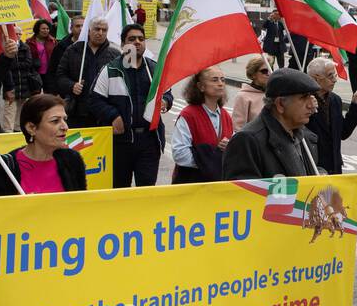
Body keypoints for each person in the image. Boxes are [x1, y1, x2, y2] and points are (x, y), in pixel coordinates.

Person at [222, 68, 345, 306]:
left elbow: (311, 182)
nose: (313, 105)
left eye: (314, 98)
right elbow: (240, 205)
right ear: (280, 104)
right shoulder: (250, 140)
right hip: (263, 259)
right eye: (305, 99)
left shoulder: (301, 136)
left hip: (299, 256)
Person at [89, 23, 172, 188]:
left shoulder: (155, 70)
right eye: (132, 39)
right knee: (120, 191)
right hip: (120, 143)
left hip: (149, 142)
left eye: (141, 39)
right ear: (122, 44)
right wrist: (112, 115)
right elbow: (94, 100)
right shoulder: (110, 70)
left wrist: (166, 101)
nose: (137, 42)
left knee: (146, 192)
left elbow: (168, 93)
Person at [0, 94, 87, 196]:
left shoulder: (72, 160)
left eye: (65, 119)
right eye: (55, 121)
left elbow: (81, 206)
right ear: (31, 128)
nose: (65, 127)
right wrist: (16, 206)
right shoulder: (3, 167)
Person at [171, 66, 234, 183]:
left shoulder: (225, 115)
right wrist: (211, 160)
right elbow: (180, 154)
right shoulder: (188, 115)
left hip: (218, 184)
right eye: (214, 80)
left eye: (223, 80)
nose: (220, 84)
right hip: (192, 183)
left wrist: (230, 147)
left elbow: (233, 150)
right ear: (201, 86)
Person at [55, 17, 119, 129]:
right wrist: (72, 85)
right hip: (77, 111)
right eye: (97, 29)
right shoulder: (73, 50)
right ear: (89, 31)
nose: (100, 33)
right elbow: (60, 76)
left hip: (104, 112)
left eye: (104, 30)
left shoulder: (115, 55)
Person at [305, 57, 357, 175]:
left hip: (334, 168)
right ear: (316, 78)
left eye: (335, 75)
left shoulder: (335, 100)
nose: (335, 80)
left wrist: (355, 106)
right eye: (330, 76)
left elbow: (343, 133)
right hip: (313, 166)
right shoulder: (303, 100)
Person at [2, 37, 43, 133]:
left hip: (24, 84)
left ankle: (18, 129)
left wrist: (15, 65)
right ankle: (7, 132)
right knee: (10, 111)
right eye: (16, 33)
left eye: (19, 33)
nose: (18, 35)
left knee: (21, 109)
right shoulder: (7, 47)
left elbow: (28, 63)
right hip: (11, 83)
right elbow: (6, 64)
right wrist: (18, 65)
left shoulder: (25, 47)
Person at [231, 55, 270, 130]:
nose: (268, 73)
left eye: (270, 69)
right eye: (264, 71)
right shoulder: (243, 96)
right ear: (253, 74)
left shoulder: (273, 93)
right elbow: (238, 127)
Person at [47, 13, 83, 79]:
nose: (81, 29)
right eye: (77, 26)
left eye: (83, 26)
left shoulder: (91, 45)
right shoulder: (61, 46)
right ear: (71, 28)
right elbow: (53, 68)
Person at [27, 18, 58, 83]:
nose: (46, 30)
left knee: (49, 92)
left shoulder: (53, 41)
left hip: (49, 73)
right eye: (43, 29)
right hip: (35, 73)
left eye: (47, 29)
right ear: (37, 29)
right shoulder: (29, 42)